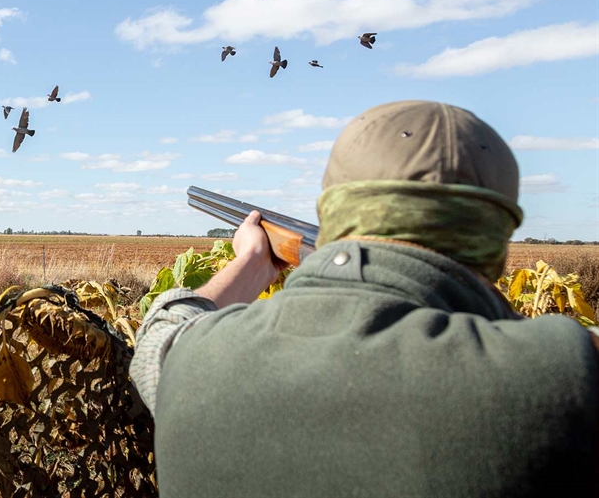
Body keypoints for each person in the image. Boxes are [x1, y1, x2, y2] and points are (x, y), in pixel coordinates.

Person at [132, 100, 598, 497]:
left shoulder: (186, 360)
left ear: (335, 206)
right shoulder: (566, 372)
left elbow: (161, 329)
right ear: (496, 232)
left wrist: (252, 263)